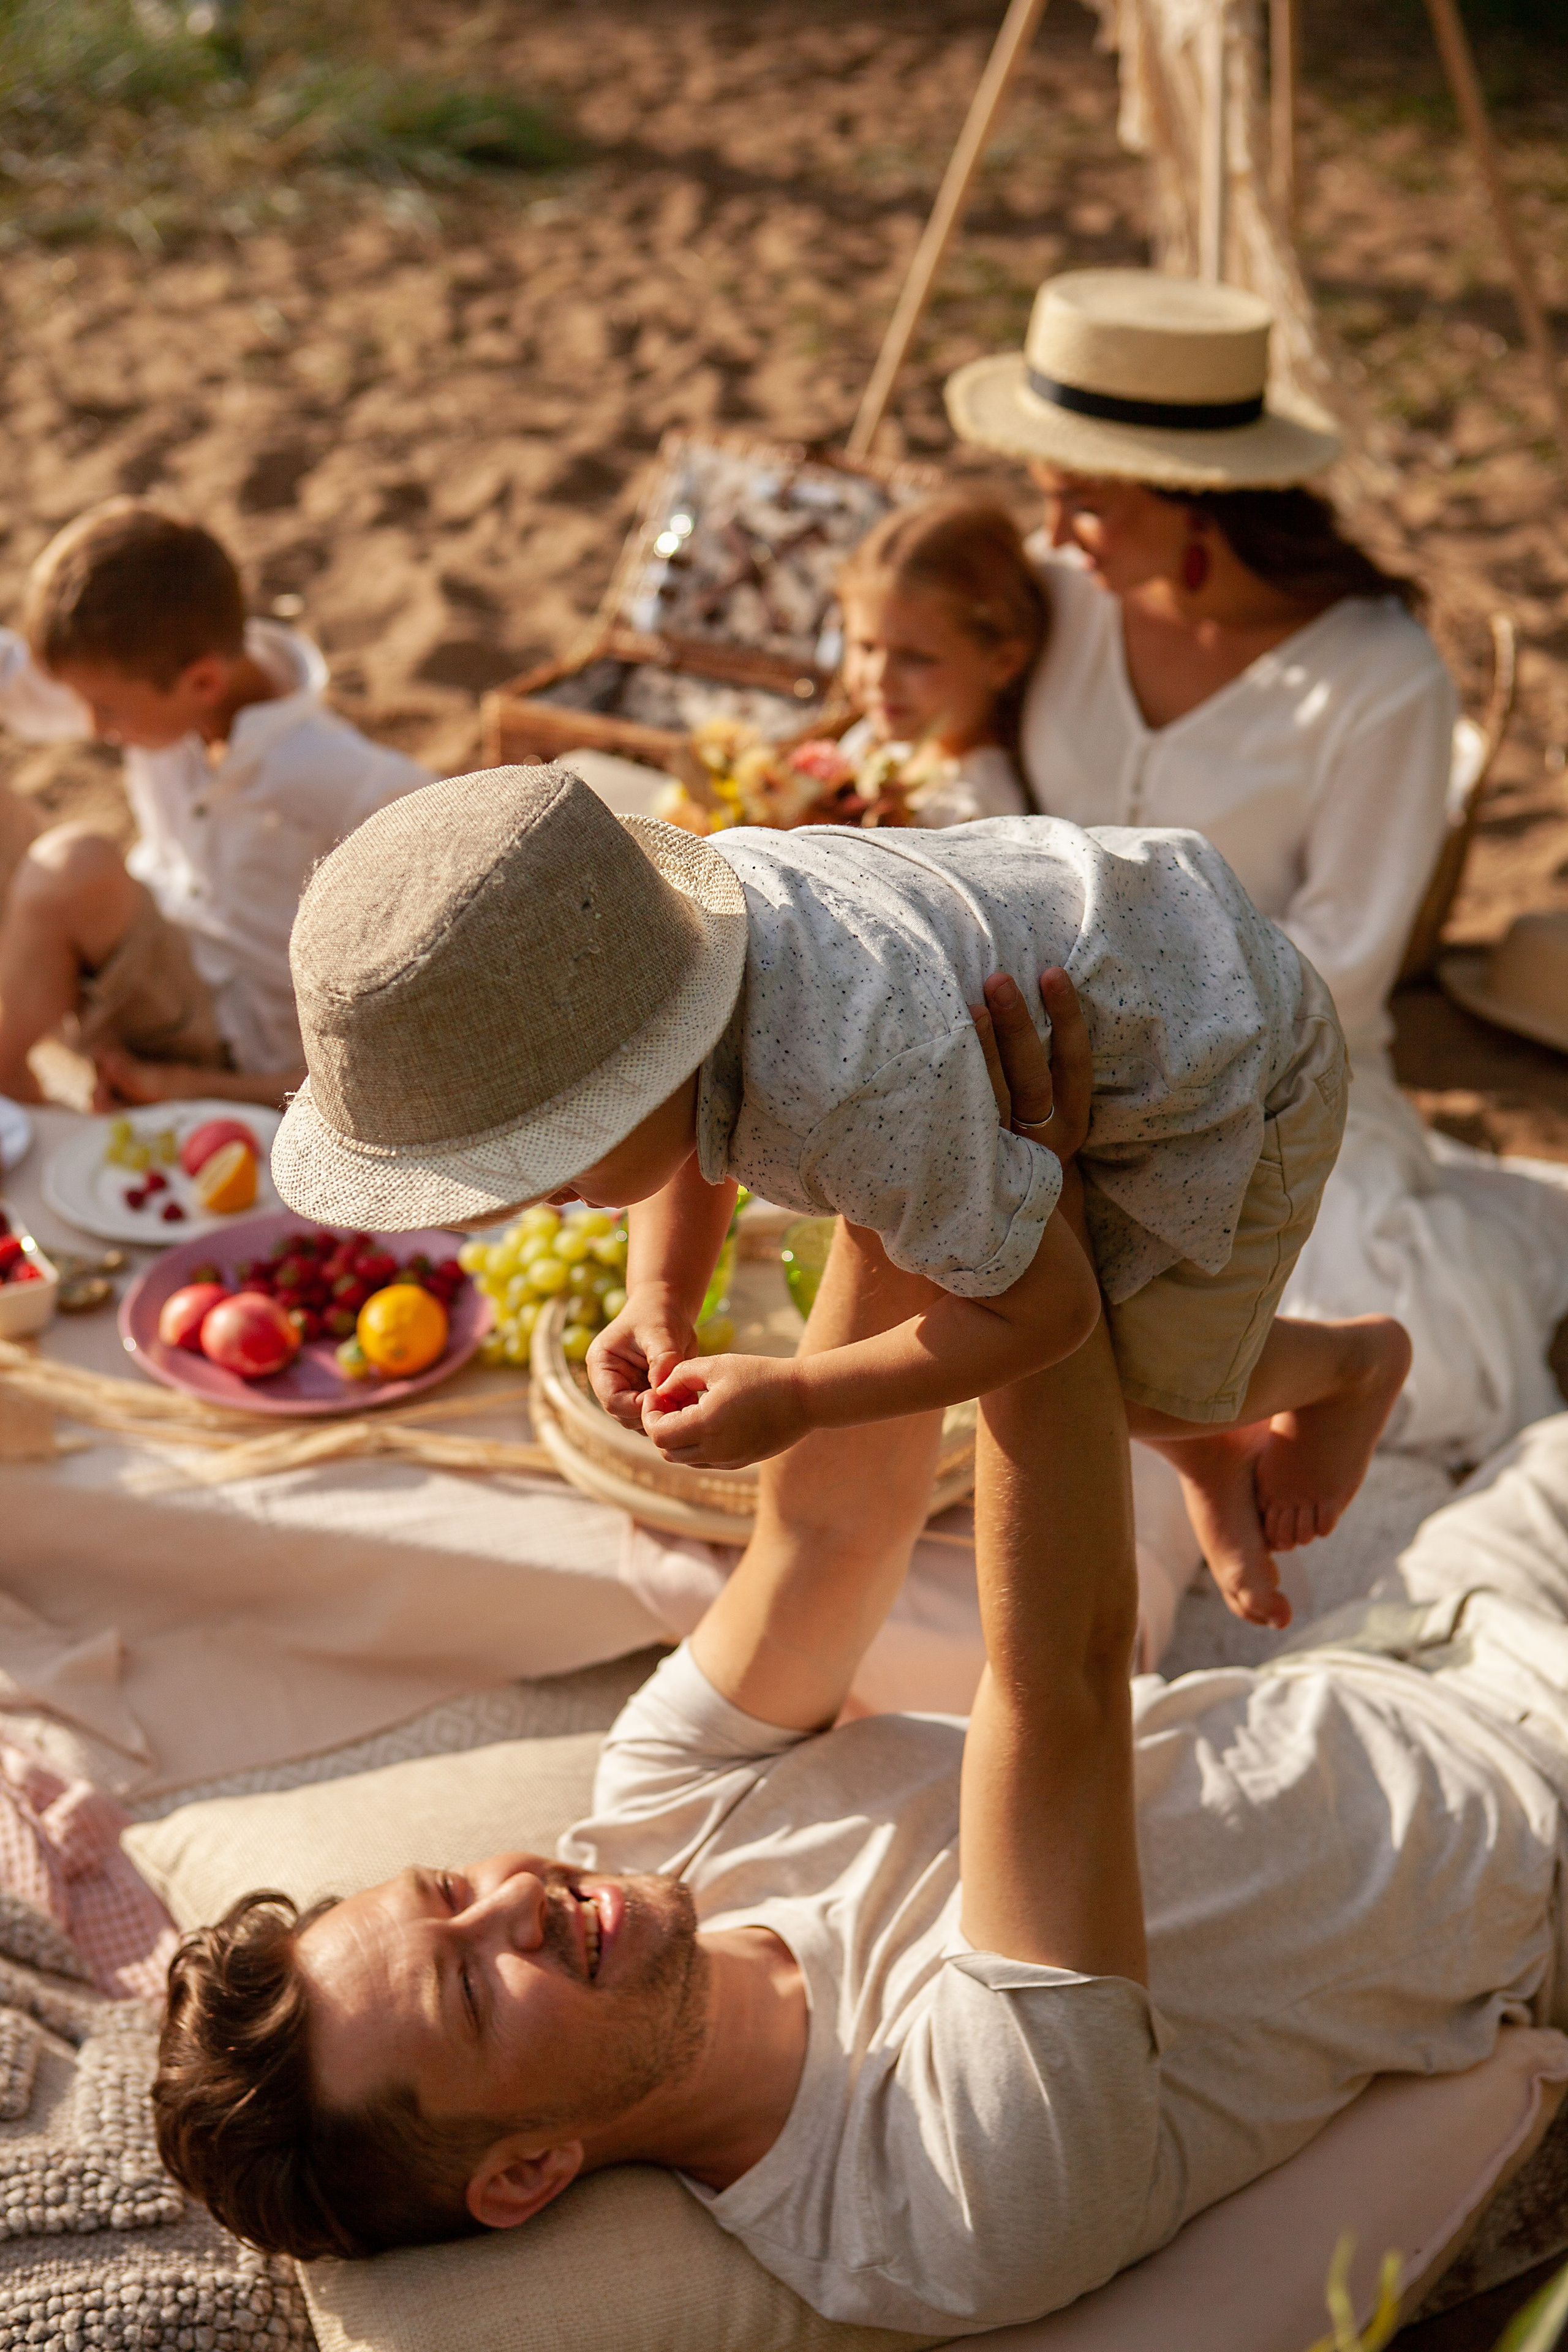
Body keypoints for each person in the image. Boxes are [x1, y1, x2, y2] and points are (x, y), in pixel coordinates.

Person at [154, 984, 1568, 2341]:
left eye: (452, 1892)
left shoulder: (654, 1817)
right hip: (1539, 1809)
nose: (515, 1899)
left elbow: (830, 1529)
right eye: (470, 1991)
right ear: (526, 2172)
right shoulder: (941, 2196)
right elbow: (1057, 1686)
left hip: (1410, 1635)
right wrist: (1016, 1196)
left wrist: (906, 1101)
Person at [265, 761, 1401, 1626]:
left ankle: (1345, 1371)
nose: (556, 1200)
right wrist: (660, 1295)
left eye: (556, 1170)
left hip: (1228, 1057)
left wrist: (803, 1397)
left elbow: (1044, 1316)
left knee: (1128, 1379)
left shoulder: (856, 1087)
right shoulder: (674, 949)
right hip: (1121, 960)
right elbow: (688, 1126)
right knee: (1097, 1320)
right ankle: (1211, 1449)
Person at [946, 265, 1568, 1466]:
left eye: (1083, 502)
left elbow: (1342, 963)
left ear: (1196, 499)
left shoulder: (1377, 679)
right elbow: (979, 781)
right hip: (1020, 1059)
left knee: (1326, 1359)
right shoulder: (1055, 594)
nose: (1053, 533)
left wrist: (1110, 1062)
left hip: (1270, 1087)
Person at [0, 498, 430, 1112]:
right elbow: (22, 684)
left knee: (75, 865)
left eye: (106, 710)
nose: (92, 726)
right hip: (139, 955)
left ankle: (8, 1081)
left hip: (229, 1038)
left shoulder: (346, 780)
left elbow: (459, 864)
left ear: (203, 682)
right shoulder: (157, 679)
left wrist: (202, 1087)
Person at [831, 496, 1042, 826]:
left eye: (916, 659)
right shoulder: (873, 740)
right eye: (866, 647)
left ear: (1004, 662)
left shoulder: (974, 808)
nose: (879, 677)